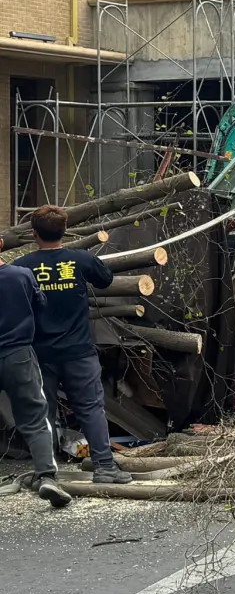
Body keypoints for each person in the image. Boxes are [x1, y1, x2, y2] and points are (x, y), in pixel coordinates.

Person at [13, 205, 131, 485]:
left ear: (33, 234)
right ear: (65, 232)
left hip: (40, 354)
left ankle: (47, 474)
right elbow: (106, 279)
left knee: (43, 413)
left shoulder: (23, 267)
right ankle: (104, 467)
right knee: (91, 407)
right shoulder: (80, 260)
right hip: (79, 351)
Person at [0, 236, 71, 507]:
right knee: (35, 416)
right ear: (2, 244)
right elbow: (40, 305)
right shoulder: (21, 276)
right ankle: (47, 478)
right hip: (18, 353)